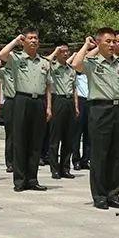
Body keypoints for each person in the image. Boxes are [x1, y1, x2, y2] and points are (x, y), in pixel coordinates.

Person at [71, 28, 119, 210]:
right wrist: (87, 46)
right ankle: (99, 195)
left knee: (116, 154)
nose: (113, 45)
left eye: (114, 41)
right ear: (99, 43)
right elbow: (76, 64)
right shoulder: (93, 63)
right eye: (108, 41)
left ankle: (114, 194)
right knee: (100, 154)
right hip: (99, 109)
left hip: (116, 109)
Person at [0, 28, 52, 192]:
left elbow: (49, 85)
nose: (34, 41)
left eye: (36, 38)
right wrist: (16, 41)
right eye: (30, 38)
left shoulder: (44, 62)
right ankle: (20, 180)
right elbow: (2, 55)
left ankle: (32, 179)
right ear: (24, 41)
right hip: (21, 99)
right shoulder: (16, 57)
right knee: (20, 140)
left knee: (36, 142)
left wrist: (49, 106)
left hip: (39, 101)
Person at [45, 43, 78, 179]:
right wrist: (55, 51)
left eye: (67, 51)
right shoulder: (51, 66)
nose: (65, 54)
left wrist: (76, 106)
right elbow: (45, 61)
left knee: (68, 138)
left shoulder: (71, 69)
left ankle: (65, 168)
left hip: (69, 101)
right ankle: (55, 169)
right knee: (55, 138)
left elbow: (74, 88)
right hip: (57, 100)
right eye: (62, 51)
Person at [0, 60, 15, 173]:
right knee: (11, 135)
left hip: (23, 101)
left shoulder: (22, 71)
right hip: (10, 102)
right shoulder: (4, 72)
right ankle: (10, 162)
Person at [72, 70, 90, 170]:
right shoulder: (76, 73)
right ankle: (76, 160)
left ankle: (86, 159)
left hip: (90, 101)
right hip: (80, 101)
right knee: (77, 133)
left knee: (89, 134)